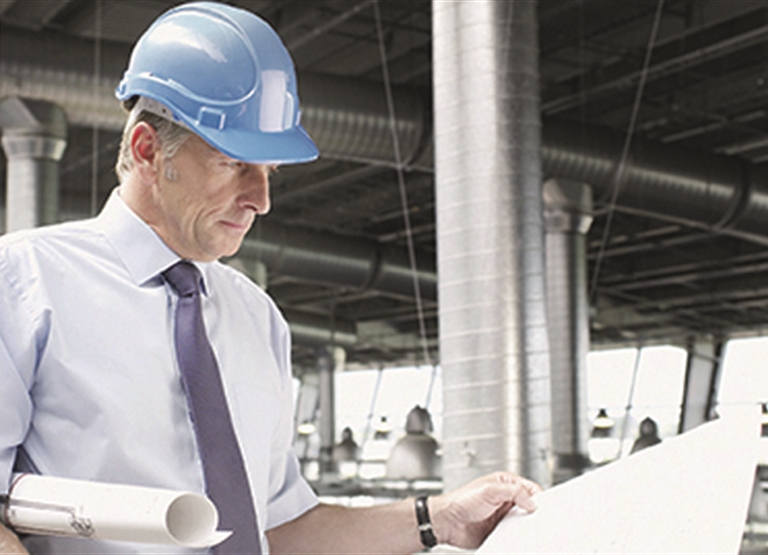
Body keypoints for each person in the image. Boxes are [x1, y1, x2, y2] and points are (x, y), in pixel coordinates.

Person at [0, 2, 540, 554]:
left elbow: (281, 529)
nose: (261, 199)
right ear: (147, 149)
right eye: (235, 163)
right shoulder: (21, 285)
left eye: (270, 171)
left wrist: (439, 518)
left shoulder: (256, 318)